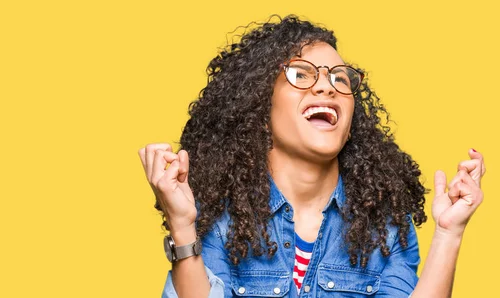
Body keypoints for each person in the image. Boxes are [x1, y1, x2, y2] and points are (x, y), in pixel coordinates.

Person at [138, 15, 485, 298]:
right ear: (259, 104)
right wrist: (182, 226)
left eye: (340, 78)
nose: (327, 86)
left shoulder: (386, 224)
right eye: (300, 74)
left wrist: (448, 234)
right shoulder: (222, 219)